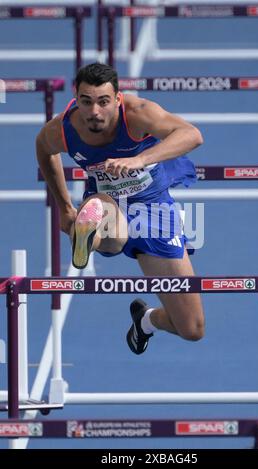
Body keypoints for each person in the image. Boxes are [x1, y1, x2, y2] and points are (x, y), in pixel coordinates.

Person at [36, 62, 205, 355]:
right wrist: (64, 206)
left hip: (154, 211)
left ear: (117, 98)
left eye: (103, 102)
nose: (94, 111)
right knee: (107, 221)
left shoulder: (138, 113)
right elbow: (43, 147)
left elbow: (191, 134)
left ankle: (146, 320)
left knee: (191, 328)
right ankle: (87, 236)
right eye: (86, 102)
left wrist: (139, 160)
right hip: (107, 207)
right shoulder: (64, 128)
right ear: (76, 97)